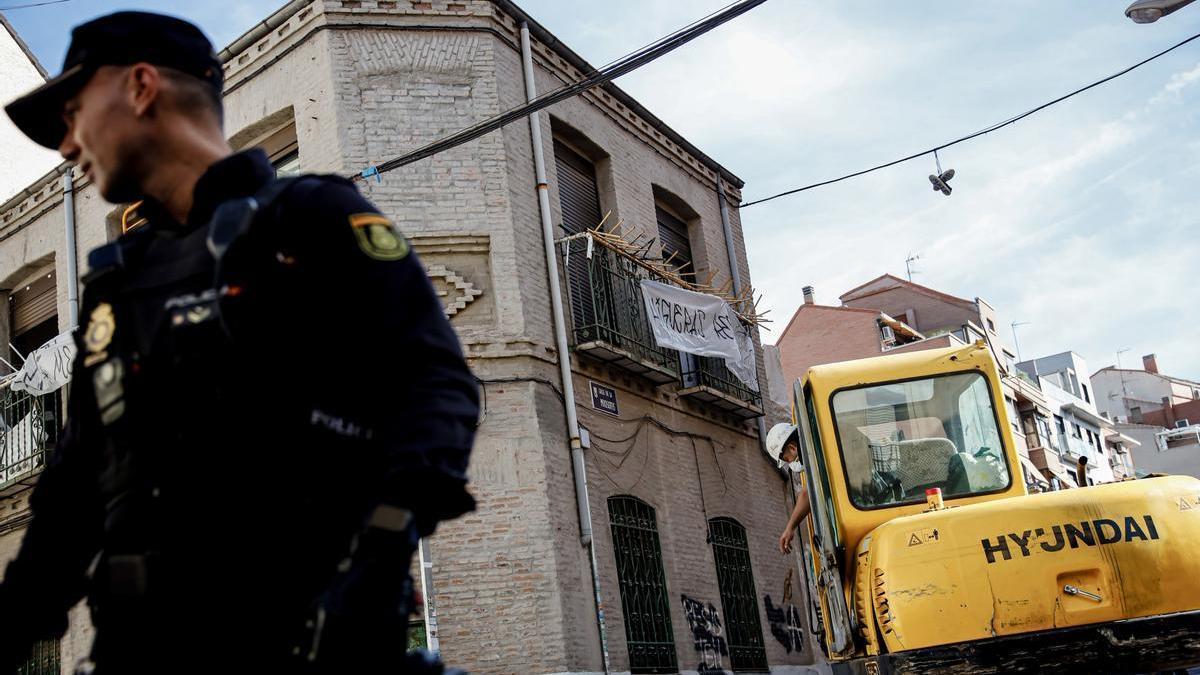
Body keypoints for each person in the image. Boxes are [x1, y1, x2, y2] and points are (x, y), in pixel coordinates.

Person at [0, 11, 478, 674]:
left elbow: (437, 386)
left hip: (307, 644)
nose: (65, 146)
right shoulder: (118, 285)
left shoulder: (312, 217)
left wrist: (382, 546)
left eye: (74, 110)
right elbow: (72, 493)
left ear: (141, 87)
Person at [766, 422, 811, 554]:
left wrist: (790, 528)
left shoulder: (814, 452)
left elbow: (807, 492)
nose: (790, 462)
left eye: (787, 459)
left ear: (792, 448)